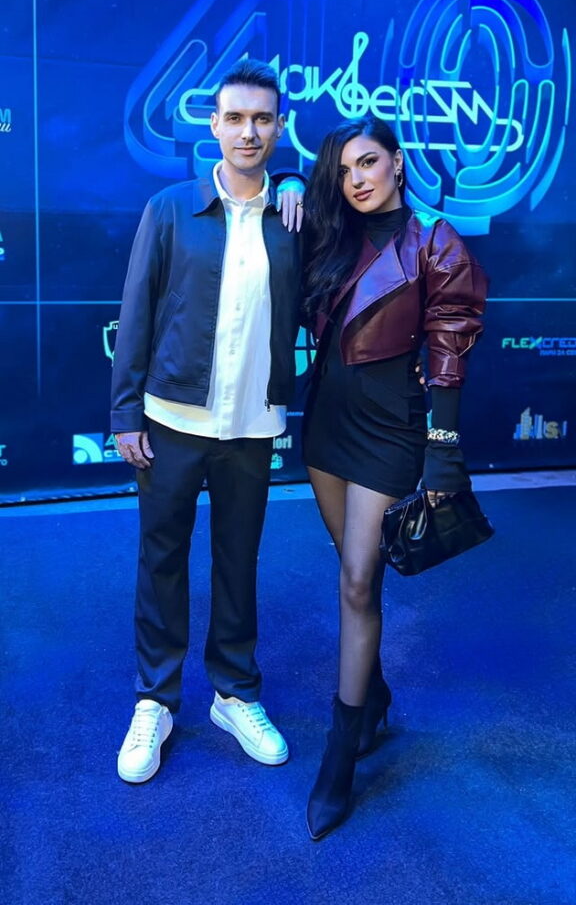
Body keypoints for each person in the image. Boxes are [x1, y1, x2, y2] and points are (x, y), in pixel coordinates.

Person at [111, 59, 304, 783]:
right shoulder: (170, 209)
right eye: (236, 118)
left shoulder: (295, 218)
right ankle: (155, 701)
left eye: (262, 119)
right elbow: (137, 312)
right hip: (170, 418)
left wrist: (298, 186)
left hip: (252, 425)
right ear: (214, 124)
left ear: (279, 127)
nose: (249, 131)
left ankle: (234, 693)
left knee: (237, 561)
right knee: (161, 559)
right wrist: (126, 412)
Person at [300, 116, 488, 839]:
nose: (356, 179)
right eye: (344, 169)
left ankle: (340, 749)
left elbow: (450, 347)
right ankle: (372, 694)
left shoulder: (435, 239)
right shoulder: (329, 233)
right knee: (352, 568)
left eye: (368, 162)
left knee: (358, 581)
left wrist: (443, 448)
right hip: (326, 423)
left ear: (399, 162)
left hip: (390, 428)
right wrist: (287, 182)